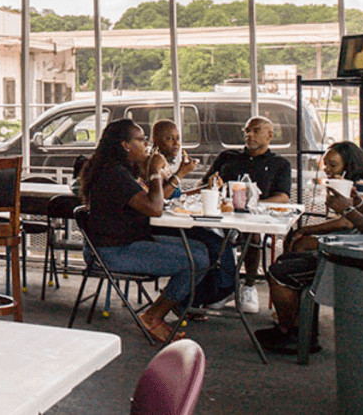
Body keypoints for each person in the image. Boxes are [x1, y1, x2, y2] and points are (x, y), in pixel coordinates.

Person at [260, 129, 363, 352]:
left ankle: (294, 334)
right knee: (295, 256)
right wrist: (357, 204)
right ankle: (301, 328)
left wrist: (346, 209)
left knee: (280, 271)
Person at [82, 118, 210, 342]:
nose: (146, 144)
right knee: (197, 260)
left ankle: (168, 304)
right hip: (113, 252)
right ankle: (154, 315)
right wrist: (153, 171)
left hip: (125, 241)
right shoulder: (114, 174)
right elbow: (154, 208)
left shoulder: (118, 169)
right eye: (141, 140)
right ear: (125, 145)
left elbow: (150, 200)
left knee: (201, 248)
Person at [200, 115, 291, 313]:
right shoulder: (228, 158)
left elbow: (283, 196)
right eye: (247, 130)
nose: (250, 135)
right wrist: (214, 186)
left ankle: (248, 285)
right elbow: (205, 184)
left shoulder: (279, 163)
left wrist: (254, 205)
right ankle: (224, 287)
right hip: (222, 215)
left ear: (270, 135)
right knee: (208, 234)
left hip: (255, 218)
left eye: (256, 130)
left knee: (251, 232)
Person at [149, 119, 237, 309]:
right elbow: (159, 199)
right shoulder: (152, 163)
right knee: (214, 245)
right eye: (169, 138)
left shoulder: (163, 163)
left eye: (178, 138)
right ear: (155, 140)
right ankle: (206, 294)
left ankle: (207, 293)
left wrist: (207, 188)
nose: (175, 143)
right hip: (161, 226)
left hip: (176, 220)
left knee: (218, 240)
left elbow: (176, 196)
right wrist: (180, 174)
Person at [284, 141, 363, 254]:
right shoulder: (338, 184)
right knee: (292, 239)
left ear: (349, 166)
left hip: (357, 239)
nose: (326, 169)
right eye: (325, 164)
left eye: (333, 165)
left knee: (301, 244)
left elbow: (346, 223)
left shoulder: (362, 186)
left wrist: (306, 229)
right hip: (340, 235)